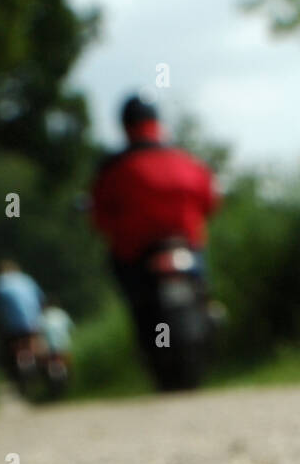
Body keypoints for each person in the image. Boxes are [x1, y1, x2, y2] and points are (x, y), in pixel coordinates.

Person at [90, 95, 220, 320]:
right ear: (156, 121)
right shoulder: (185, 160)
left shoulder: (113, 170)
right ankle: (210, 306)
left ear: (124, 125)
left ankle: (142, 323)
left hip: (136, 254)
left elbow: (101, 216)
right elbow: (210, 202)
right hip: (186, 243)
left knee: (136, 300)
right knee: (202, 280)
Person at [0, 259, 45, 382]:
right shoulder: (27, 280)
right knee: (36, 344)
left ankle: (13, 373)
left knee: (8, 347)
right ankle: (42, 368)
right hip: (33, 322)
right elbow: (41, 299)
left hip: (11, 325)